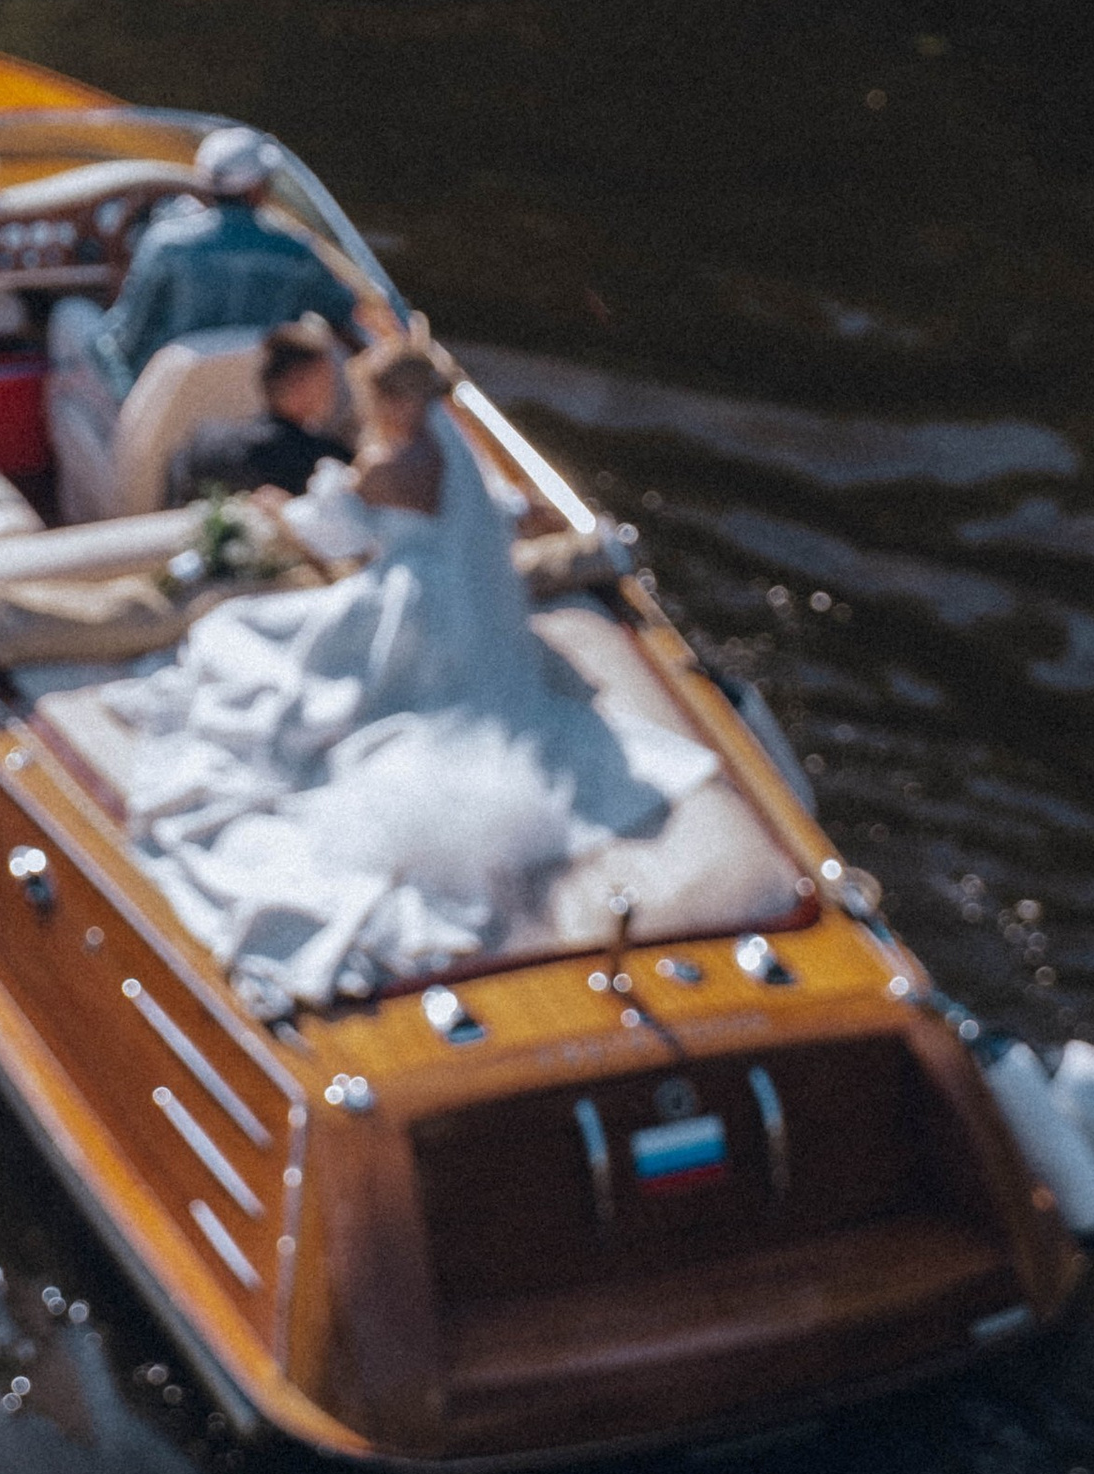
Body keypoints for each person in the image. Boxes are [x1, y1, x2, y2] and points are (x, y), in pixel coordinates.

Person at [113, 326, 718, 1009]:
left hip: (410, 614)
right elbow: (498, 513)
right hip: (479, 619)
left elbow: (328, 531)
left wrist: (277, 509)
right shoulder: (454, 449)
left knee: (234, 632)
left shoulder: (386, 468)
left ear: (392, 403)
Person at [61, 125, 362, 406]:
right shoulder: (297, 253)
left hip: (169, 410)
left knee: (69, 316)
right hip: (257, 404)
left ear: (204, 184)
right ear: (258, 189)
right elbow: (344, 313)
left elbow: (123, 340)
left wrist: (125, 396)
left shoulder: (165, 245)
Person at [165, 317, 354, 508]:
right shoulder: (322, 462)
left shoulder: (202, 443)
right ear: (300, 384)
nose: (334, 389)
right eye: (325, 380)